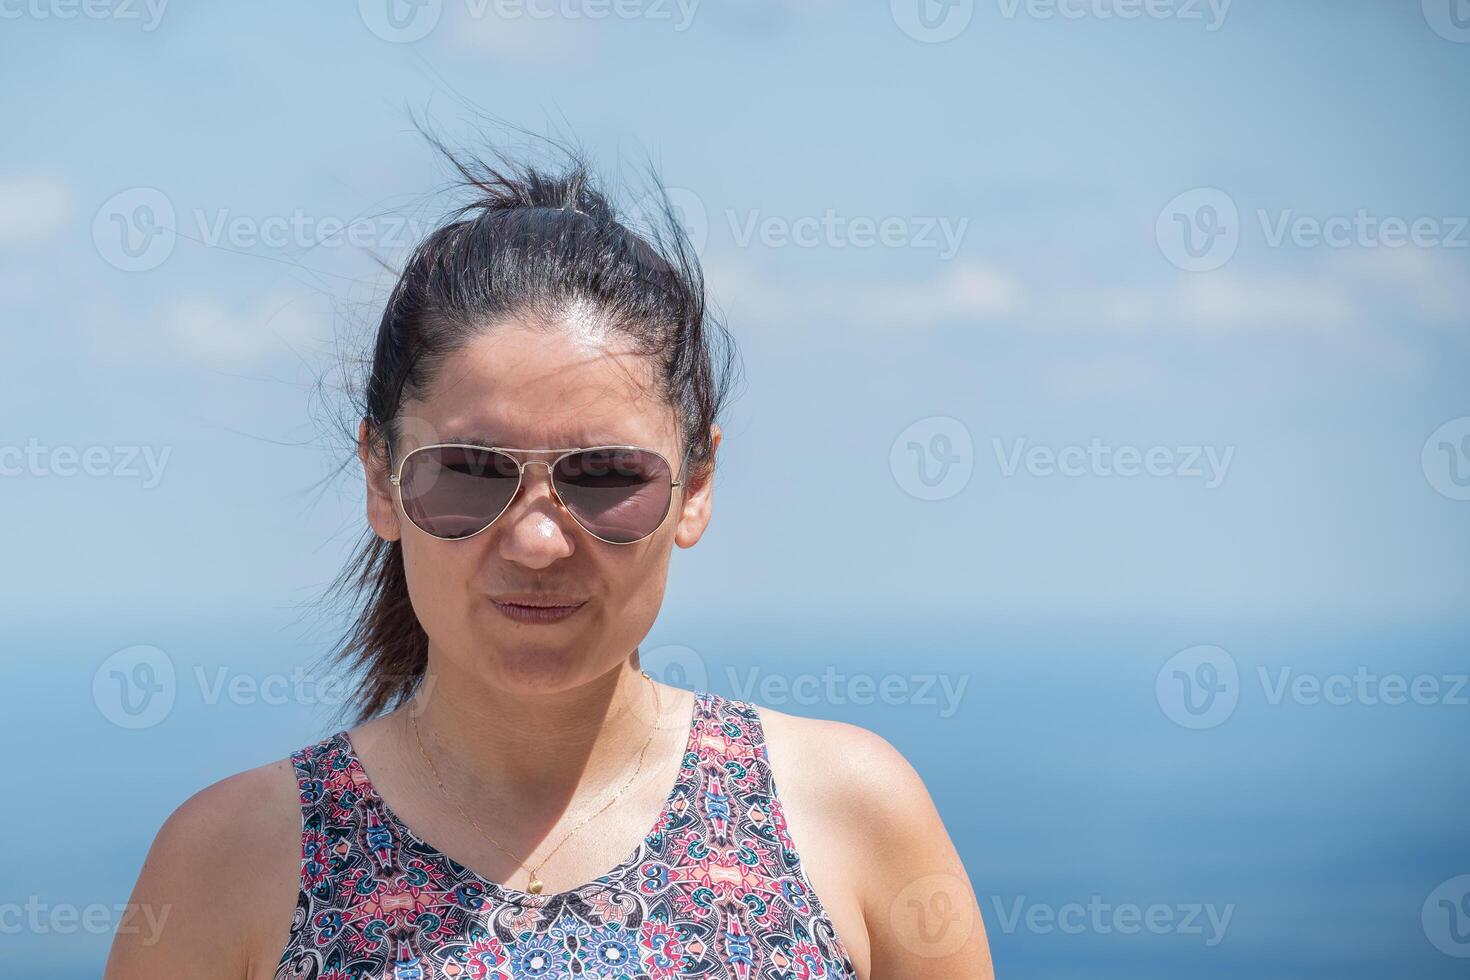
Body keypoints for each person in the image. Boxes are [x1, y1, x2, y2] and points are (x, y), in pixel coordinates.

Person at [105, 134, 994, 980]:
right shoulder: (234, 864)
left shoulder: (850, 816)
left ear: (697, 486)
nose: (536, 540)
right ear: (380, 479)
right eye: (468, 473)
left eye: (607, 475)